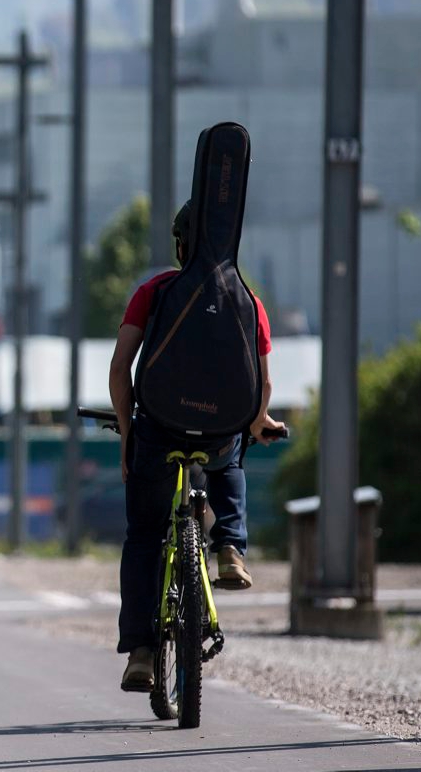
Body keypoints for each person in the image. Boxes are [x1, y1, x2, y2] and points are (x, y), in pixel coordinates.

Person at [108, 203, 287, 692]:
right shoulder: (247, 300)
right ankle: (229, 546)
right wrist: (258, 422)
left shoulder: (155, 291)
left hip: (159, 431)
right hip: (218, 436)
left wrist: (128, 433)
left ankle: (142, 652)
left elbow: (121, 367)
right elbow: (262, 384)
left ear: (179, 244)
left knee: (144, 537)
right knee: (230, 460)